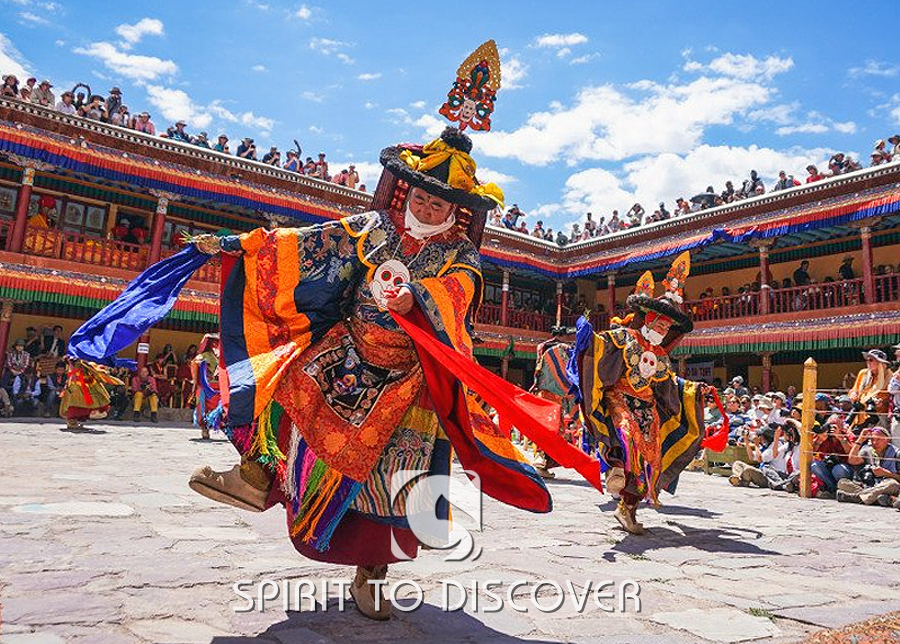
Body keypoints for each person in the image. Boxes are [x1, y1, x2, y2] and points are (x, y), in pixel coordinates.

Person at [70, 117, 600, 621]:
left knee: (392, 481)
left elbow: (457, 296)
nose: (425, 206)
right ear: (404, 193)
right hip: (343, 354)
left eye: (437, 202)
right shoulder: (372, 228)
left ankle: (374, 569)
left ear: (454, 211)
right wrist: (239, 245)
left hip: (408, 378)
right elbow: (308, 246)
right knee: (281, 380)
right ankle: (258, 476)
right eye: (419, 196)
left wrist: (414, 297)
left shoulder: (459, 254)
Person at [571, 251, 722, 534]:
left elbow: (670, 385)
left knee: (650, 461)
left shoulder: (662, 357)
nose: (664, 330)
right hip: (620, 399)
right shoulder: (626, 338)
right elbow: (601, 347)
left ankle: (627, 508)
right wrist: (587, 335)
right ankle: (614, 467)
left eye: (668, 328)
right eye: (661, 324)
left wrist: (696, 391)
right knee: (627, 440)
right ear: (650, 319)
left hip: (648, 409)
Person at [529, 326, 579, 478]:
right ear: (563, 336)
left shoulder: (542, 347)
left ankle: (542, 460)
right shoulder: (565, 349)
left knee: (545, 425)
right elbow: (569, 372)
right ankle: (541, 461)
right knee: (554, 428)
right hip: (558, 393)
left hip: (543, 391)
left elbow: (538, 368)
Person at [837, 426, 900, 505]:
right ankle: (879, 499)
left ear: (887, 439)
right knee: (842, 482)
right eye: (872, 439)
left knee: (893, 484)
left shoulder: (897, 454)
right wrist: (860, 440)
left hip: (887, 484)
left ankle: (856, 497)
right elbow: (852, 460)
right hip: (870, 485)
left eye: (878, 439)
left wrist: (886, 474)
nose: (874, 443)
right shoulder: (867, 450)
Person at [847, 349, 891, 431]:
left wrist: (881, 402)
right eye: (867, 360)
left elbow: (889, 397)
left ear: (880, 363)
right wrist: (853, 394)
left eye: (871, 360)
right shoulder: (863, 373)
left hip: (878, 417)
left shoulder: (889, 376)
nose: (868, 362)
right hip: (859, 416)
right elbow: (854, 390)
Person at [191, 333, 221, 440]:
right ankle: (205, 429)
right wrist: (203, 366)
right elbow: (195, 362)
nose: (216, 344)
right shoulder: (205, 355)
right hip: (206, 386)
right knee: (202, 408)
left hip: (220, 387)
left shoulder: (222, 355)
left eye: (217, 342)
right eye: (213, 342)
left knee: (222, 407)